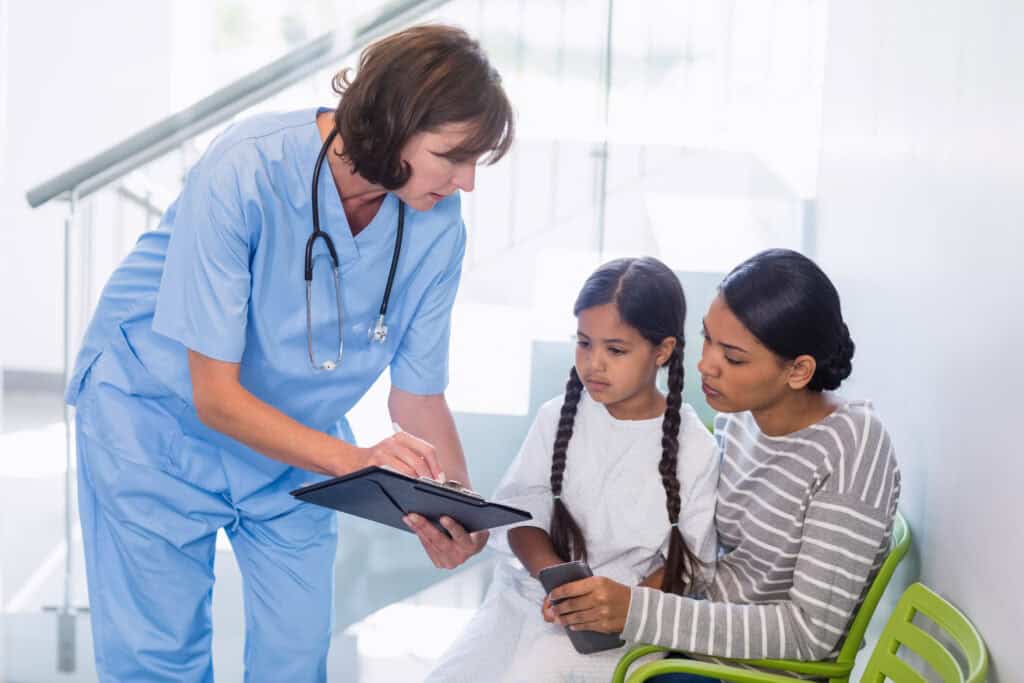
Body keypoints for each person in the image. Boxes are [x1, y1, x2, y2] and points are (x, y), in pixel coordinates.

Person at [65, 25, 514, 682]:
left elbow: (416, 395)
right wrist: (358, 462)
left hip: (296, 443)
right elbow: (214, 396)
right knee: (158, 662)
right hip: (153, 421)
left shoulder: (437, 224)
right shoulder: (246, 167)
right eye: (453, 156)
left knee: (296, 658)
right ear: (392, 124)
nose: (467, 182)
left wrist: (453, 505)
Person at [545, 249, 901, 682]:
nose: (705, 365)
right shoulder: (739, 420)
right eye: (708, 338)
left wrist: (638, 609)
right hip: (695, 637)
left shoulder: (853, 446)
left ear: (798, 370)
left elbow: (810, 633)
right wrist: (624, 595)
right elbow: (711, 554)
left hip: (749, 672)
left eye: (733, 357)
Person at [426, 257, 720, 683]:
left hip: (622, 625)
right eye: (584, 343)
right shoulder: (556, 417)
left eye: (615, 350)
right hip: (527, 601)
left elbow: (688, 567)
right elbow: (520, 520)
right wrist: (555, 582)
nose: (594, 363)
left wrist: (614, 606)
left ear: (663, 351)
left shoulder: (695, 447)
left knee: (537, 671)